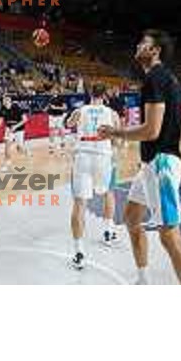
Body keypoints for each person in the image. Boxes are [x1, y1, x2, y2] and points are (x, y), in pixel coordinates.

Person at [99, 30, 181, 285]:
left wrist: (115, 132)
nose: (138, 45)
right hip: (151, 163)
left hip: (162, 163)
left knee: (169, 236)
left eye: (144, 43)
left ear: (155, 51)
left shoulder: (155, 78)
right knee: (132, 217)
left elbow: (151, 131)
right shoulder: (167, 79)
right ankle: (143, 280)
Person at [66, 83, 121, 270]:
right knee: (109, 193)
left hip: (83, 156)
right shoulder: (112, 114)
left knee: (80, 203)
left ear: (90, 94)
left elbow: (69, 124)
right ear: (105, 95)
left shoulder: (80, 111)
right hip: (103, 157)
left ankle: (79, 252)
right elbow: (118, 138)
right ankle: (108, 231)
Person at [0, 94, 29, 171]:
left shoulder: (17, 108)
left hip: (19, 129)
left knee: (20, 148)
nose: (5, 101)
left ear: (10, 101)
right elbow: (0, 123)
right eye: (4, 100)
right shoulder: (2, 109)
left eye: (7, 100)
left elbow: (25, 119)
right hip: (9, 129)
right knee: (7, 145)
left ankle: (25, 150)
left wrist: (15, 126)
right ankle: (7, 162)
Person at [46, 87, 67, 154]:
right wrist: (46, 109)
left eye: (54, 90)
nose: (53, 91)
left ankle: (62, 142)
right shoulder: (51, 98)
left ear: (57, 91)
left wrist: (56, 108)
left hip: (59, 116)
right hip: (51, 116)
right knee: (51, 130)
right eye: (52, 90)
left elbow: (65, 107)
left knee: (61, 129)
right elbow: (49, 107)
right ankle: (51, 145)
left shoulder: (61, 98)